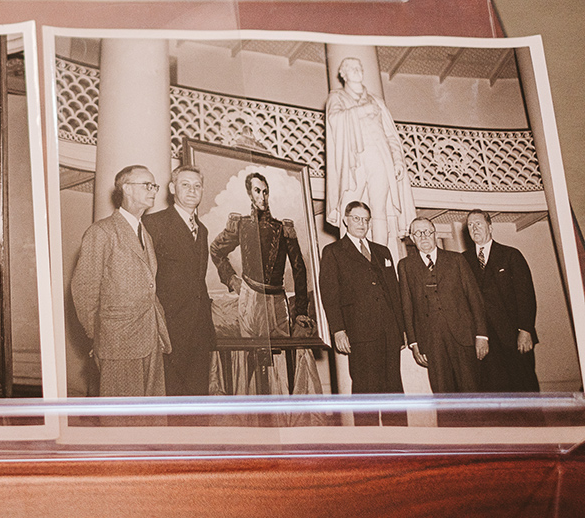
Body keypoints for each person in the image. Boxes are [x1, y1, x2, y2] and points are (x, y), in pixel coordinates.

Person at [209, 172, 321, 396]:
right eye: (257, 191)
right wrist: (232, 279)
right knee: (251, 356)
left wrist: (300, 310)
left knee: (279, 357)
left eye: (265, 191)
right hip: (250, 301)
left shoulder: (283, 228)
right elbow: (216, 250)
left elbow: (299, 269)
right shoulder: (239, 225)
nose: (262, 196)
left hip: (277, 301)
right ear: (250, 194)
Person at [71, 165, 171, 397]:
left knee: (151, 416)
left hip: (150, 336)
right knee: (122, 417)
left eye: (154, 186)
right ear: (126, 188)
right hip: (118, 341)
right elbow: (84, 289)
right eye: (147, 185)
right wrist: (97, 336)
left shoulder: (144, 233)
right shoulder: (102, 232)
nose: (154, 191)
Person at [319, 201, 405, 423]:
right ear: (346, 220)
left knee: (394, 391)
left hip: (389, 333)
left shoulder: (382, 251)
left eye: (365, 219)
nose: (361, 223)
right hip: (360, 334)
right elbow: (330, 295)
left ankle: (400, 445)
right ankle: (369, 445)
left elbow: (394, 293)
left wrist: (401, 330)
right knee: (365, 392)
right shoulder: (333, 252)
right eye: (356, 218)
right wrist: (338, 330)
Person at [325, 56, 416, 249]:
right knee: (348, 206)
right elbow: (335, 119)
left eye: (359, 68)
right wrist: (362, 111)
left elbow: (390, 135)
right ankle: (350, 255)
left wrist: (398, 161)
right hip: (353, 161)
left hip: (379, 157)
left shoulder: (377, 101)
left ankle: (381, 254)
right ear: (343, 74)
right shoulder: (337, 97)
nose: (357, 71)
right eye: (352, 68)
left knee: (379, 208)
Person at [141, 165, 215, 396]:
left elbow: (197, 280)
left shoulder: (201, 230)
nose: (192, 191)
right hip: (169, 328)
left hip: (199, 329)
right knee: (171, 398)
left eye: (197, 186)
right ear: (172, 188)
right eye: (185, 185)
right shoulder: (154, 224)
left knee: (197, 398)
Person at [398, 217, 489, 393]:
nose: (423, 236)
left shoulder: (456, 259)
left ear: (435, 233)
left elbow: (474, 298)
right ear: (411, 237)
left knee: (471, 389)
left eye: (427, 232)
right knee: (442, 392)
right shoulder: (405, 266)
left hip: (463, 336)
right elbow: (407, 306)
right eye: (418, 233)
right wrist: (414, 342)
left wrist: (482, 335)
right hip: (431, 341)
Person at [466, 209, 539, 392]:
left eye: (478, 223)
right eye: (470, 225)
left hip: (514, 337)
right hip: (485, 341)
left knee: (524, 387)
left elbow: (526, 295)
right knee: (495, 392)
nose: (474, 228)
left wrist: (525, 330)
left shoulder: (511, 255)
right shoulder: (463, 260)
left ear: (490, 227)